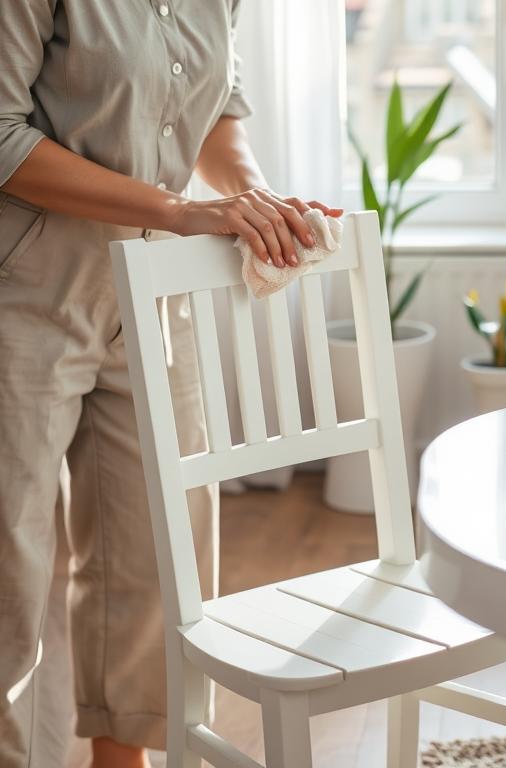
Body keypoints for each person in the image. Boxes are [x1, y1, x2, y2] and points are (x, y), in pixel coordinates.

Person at [0, 3, 342, 766]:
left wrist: (256, 199)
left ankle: (123, 763)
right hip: (22, 290)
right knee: (8, 574)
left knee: (155, 554)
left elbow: (217, 103)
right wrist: (183, 211)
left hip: (153, 291)